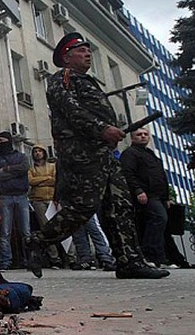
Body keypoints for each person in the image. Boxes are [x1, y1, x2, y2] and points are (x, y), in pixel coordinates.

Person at [27, 32, 168, 279]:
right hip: (82, 155)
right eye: (81, 51)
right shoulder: (64, 77)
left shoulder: (88, 81)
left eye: (89, 50)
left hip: (104, 154)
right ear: (67, 57)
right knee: (84, 207)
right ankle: (38, 240)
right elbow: (71, 110)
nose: (88, 54)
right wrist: (101, 129)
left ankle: (129, 261)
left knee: (120, 205)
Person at [120, 128, 172, 268]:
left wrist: (166, 197)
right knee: (159, 219)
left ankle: (159, 258)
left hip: (158, 195)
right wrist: (138, 191)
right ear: (132, 138)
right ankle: (149, 255)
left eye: (145, 134)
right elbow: (128, 173)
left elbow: (161, 176)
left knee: (160, 224)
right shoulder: (130, 153)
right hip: (147, 195)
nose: (143, 136)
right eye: (139, 134)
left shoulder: (151, 154)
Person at [0, 131, 31, 271]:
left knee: (26, 231)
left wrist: (6, 169)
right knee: (5, 232)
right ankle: (6, 262)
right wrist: (15, 173)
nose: (0, 143)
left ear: (9, 140)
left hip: (21, 196)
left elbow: (25, 168)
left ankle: (29, 260)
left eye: (3, 140)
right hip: (5, 197)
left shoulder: (21, 156)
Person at [28, 145, 64, 269]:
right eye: (35, 152)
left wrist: (41, 181)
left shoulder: (52, 166)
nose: (38, 153)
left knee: (61, 227)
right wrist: (47, 178)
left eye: (40, 151)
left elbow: (55, 180)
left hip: (53, 200)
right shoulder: (31, 169)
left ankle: (71, 257)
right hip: (38, 201)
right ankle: (55, 258)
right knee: (46, 229)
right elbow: (30, 181)